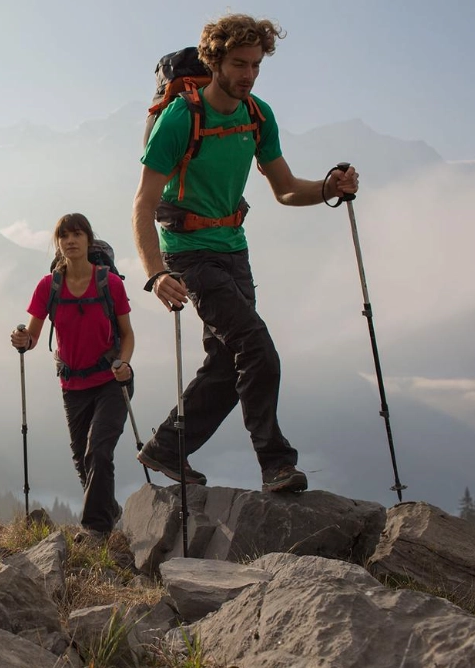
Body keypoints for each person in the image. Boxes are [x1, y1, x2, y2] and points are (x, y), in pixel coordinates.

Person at [131, 14, 359, 493]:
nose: (249, 74)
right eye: (239, 64)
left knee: (224, 361)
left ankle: (166, 447)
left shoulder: (257, 115)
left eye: (256, 65)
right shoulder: (181, 118)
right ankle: (276, 463)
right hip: (189, 255)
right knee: (257, 349)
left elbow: (285, 189)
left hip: (235, 250)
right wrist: (154, 274)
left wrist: (327, 187)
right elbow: (144, 203)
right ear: (214, 61)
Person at [11, 213, 135, 541]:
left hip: (111, 380)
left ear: (88, 241)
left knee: (99, 451)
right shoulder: (48, 286)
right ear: (58, 244)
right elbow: (33, 336)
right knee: (83, 459)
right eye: (64, 236)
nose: (71, 240)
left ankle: (96, 529)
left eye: (78, 234)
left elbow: (127, 334)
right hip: (73, 385)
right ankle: (107, 507)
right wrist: (23, 339)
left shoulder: (110, 283)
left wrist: (124, 363)